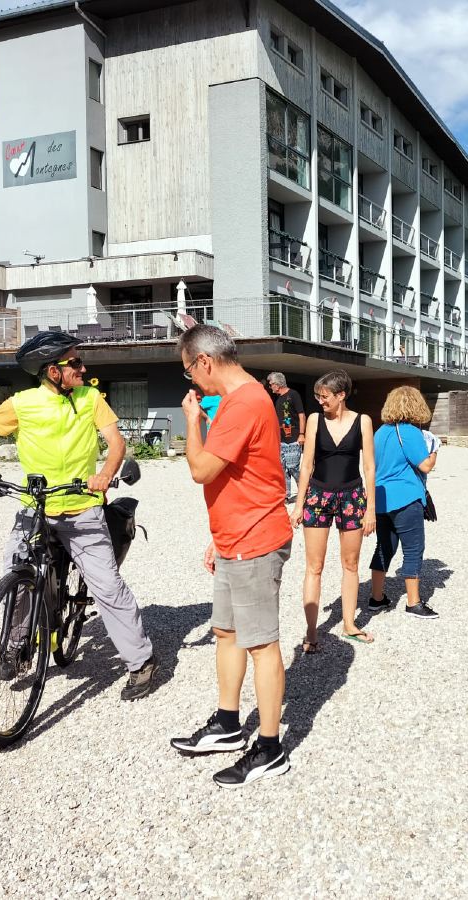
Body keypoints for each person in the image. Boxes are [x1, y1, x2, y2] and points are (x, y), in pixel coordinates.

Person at [0, 331, 157, 701]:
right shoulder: (23, 404)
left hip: (83, 509)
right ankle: (16, 646)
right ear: (54, 371)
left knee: (107, 586)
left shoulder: (90, 398)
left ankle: (142, 661)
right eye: (76, 363)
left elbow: (116, 442)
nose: (83, 369)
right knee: (18, 573)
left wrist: (105, 473)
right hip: (36, 506)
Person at [169, 325, 294, 787]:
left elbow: (202, 470)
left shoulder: (243, 403)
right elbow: (237, 475)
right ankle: (227, 724)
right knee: (226, 632)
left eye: (189, 371)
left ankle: (270, 748)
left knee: (261, 644)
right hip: (233, 538)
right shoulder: (242, 398)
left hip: (255, 540)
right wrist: (217, 537)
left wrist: (191, 421)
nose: (192, 381)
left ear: (204, 362)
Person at [291, 369, 377, 649]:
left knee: (350, 564)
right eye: (317, 396)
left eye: (324, 396)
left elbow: (369, 467)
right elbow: (306, 465)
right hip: (318, 495)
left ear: (341, 395)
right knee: (314, 566)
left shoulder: (363, 421)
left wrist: (371, 509)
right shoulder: (314, 420)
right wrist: (299, 505)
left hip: (352, 496)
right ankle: (311, 632)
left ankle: (350, 624)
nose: (320, 401)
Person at [366, 386, 439, 619]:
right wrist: (435, 450)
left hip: (381, 498)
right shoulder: (409, 432)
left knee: (384, 547)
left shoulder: (380, 432)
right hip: (405, 497)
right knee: (413, 548)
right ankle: (413, 602)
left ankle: (377, 597)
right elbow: (425, 465)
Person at [267, 372, 305, 503]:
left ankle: (304, 493)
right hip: (281, 441)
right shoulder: (278, 399)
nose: (270, 387)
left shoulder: (293, 395)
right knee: (283, 470)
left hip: (293, 439)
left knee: (293, 468)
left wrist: (301, 434)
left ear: (277, 384)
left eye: (271, 384)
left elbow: (301, 415)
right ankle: (285, 495)